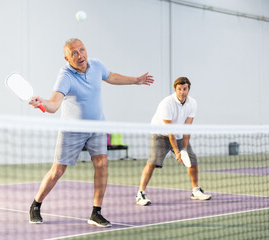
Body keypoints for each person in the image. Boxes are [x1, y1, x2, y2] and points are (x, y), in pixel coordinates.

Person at [28, 38, 154, 227]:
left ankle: (96, 212)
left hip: (97, 127)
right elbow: (54, 105)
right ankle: (36, 205)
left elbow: (112, 76)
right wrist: (42, 102)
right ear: (67, 58)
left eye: (82, 50)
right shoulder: (65, 76)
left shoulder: (96, 65)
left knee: (102, 164)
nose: (80, 55)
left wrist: (136, 80)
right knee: (58, 171)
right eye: (74, 53)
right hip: (72, 130)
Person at [135, 77, 211, 206]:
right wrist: (176, 152)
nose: (182, 92)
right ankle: (140, 194)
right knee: (152, 162)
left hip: (179, 133)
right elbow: (170, 132)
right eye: (179, 89)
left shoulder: (192, 103)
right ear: (175, 90)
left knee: (192, 160)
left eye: (185, 89)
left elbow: (187, 128)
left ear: (189, 89)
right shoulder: (167, 103)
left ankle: (196, 190)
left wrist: (184, 149)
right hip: (160, 133)